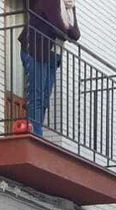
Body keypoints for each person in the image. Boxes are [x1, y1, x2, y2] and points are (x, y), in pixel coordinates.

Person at [19, 0, 79, 137]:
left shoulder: (70, 7)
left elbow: (76, 34)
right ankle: (36, 134)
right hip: (36, 49)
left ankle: (36, 130)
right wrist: (67, 29)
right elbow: (58, 26)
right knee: (37, 94)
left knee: (44, 98)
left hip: (53, 55)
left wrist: (67, 29)